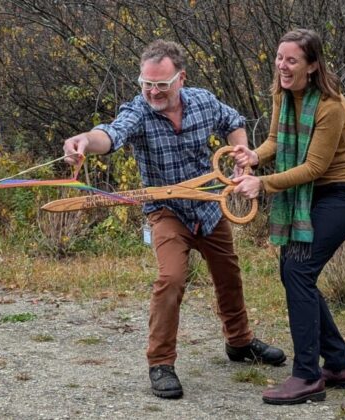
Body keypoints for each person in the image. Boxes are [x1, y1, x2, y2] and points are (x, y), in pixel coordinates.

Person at [63, 39, 286, 399]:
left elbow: (234, 122)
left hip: (210, 206)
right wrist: (84, 143)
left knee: (228, 274)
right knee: (171, 279)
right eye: (146, 84)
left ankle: (240, 343)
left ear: (180, 78)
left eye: (161, 85)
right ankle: (161, 363)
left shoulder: (203, 101)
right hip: (166, 212)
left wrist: (241, 154)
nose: (153, 92)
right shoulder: (138, 111)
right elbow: (110, 133)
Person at [232, 29, 345, 405]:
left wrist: (262, 185)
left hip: (340, 192)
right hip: (306, 195)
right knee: (295, 272)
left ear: (312, 65)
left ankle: (308, 375)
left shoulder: (331, 104)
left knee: (298, 271)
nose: (282, 66)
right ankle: (338, 365)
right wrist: (255, 156)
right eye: (279, 58)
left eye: (291, 60)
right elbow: (276, 141)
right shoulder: (282, 94)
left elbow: (314, 166)